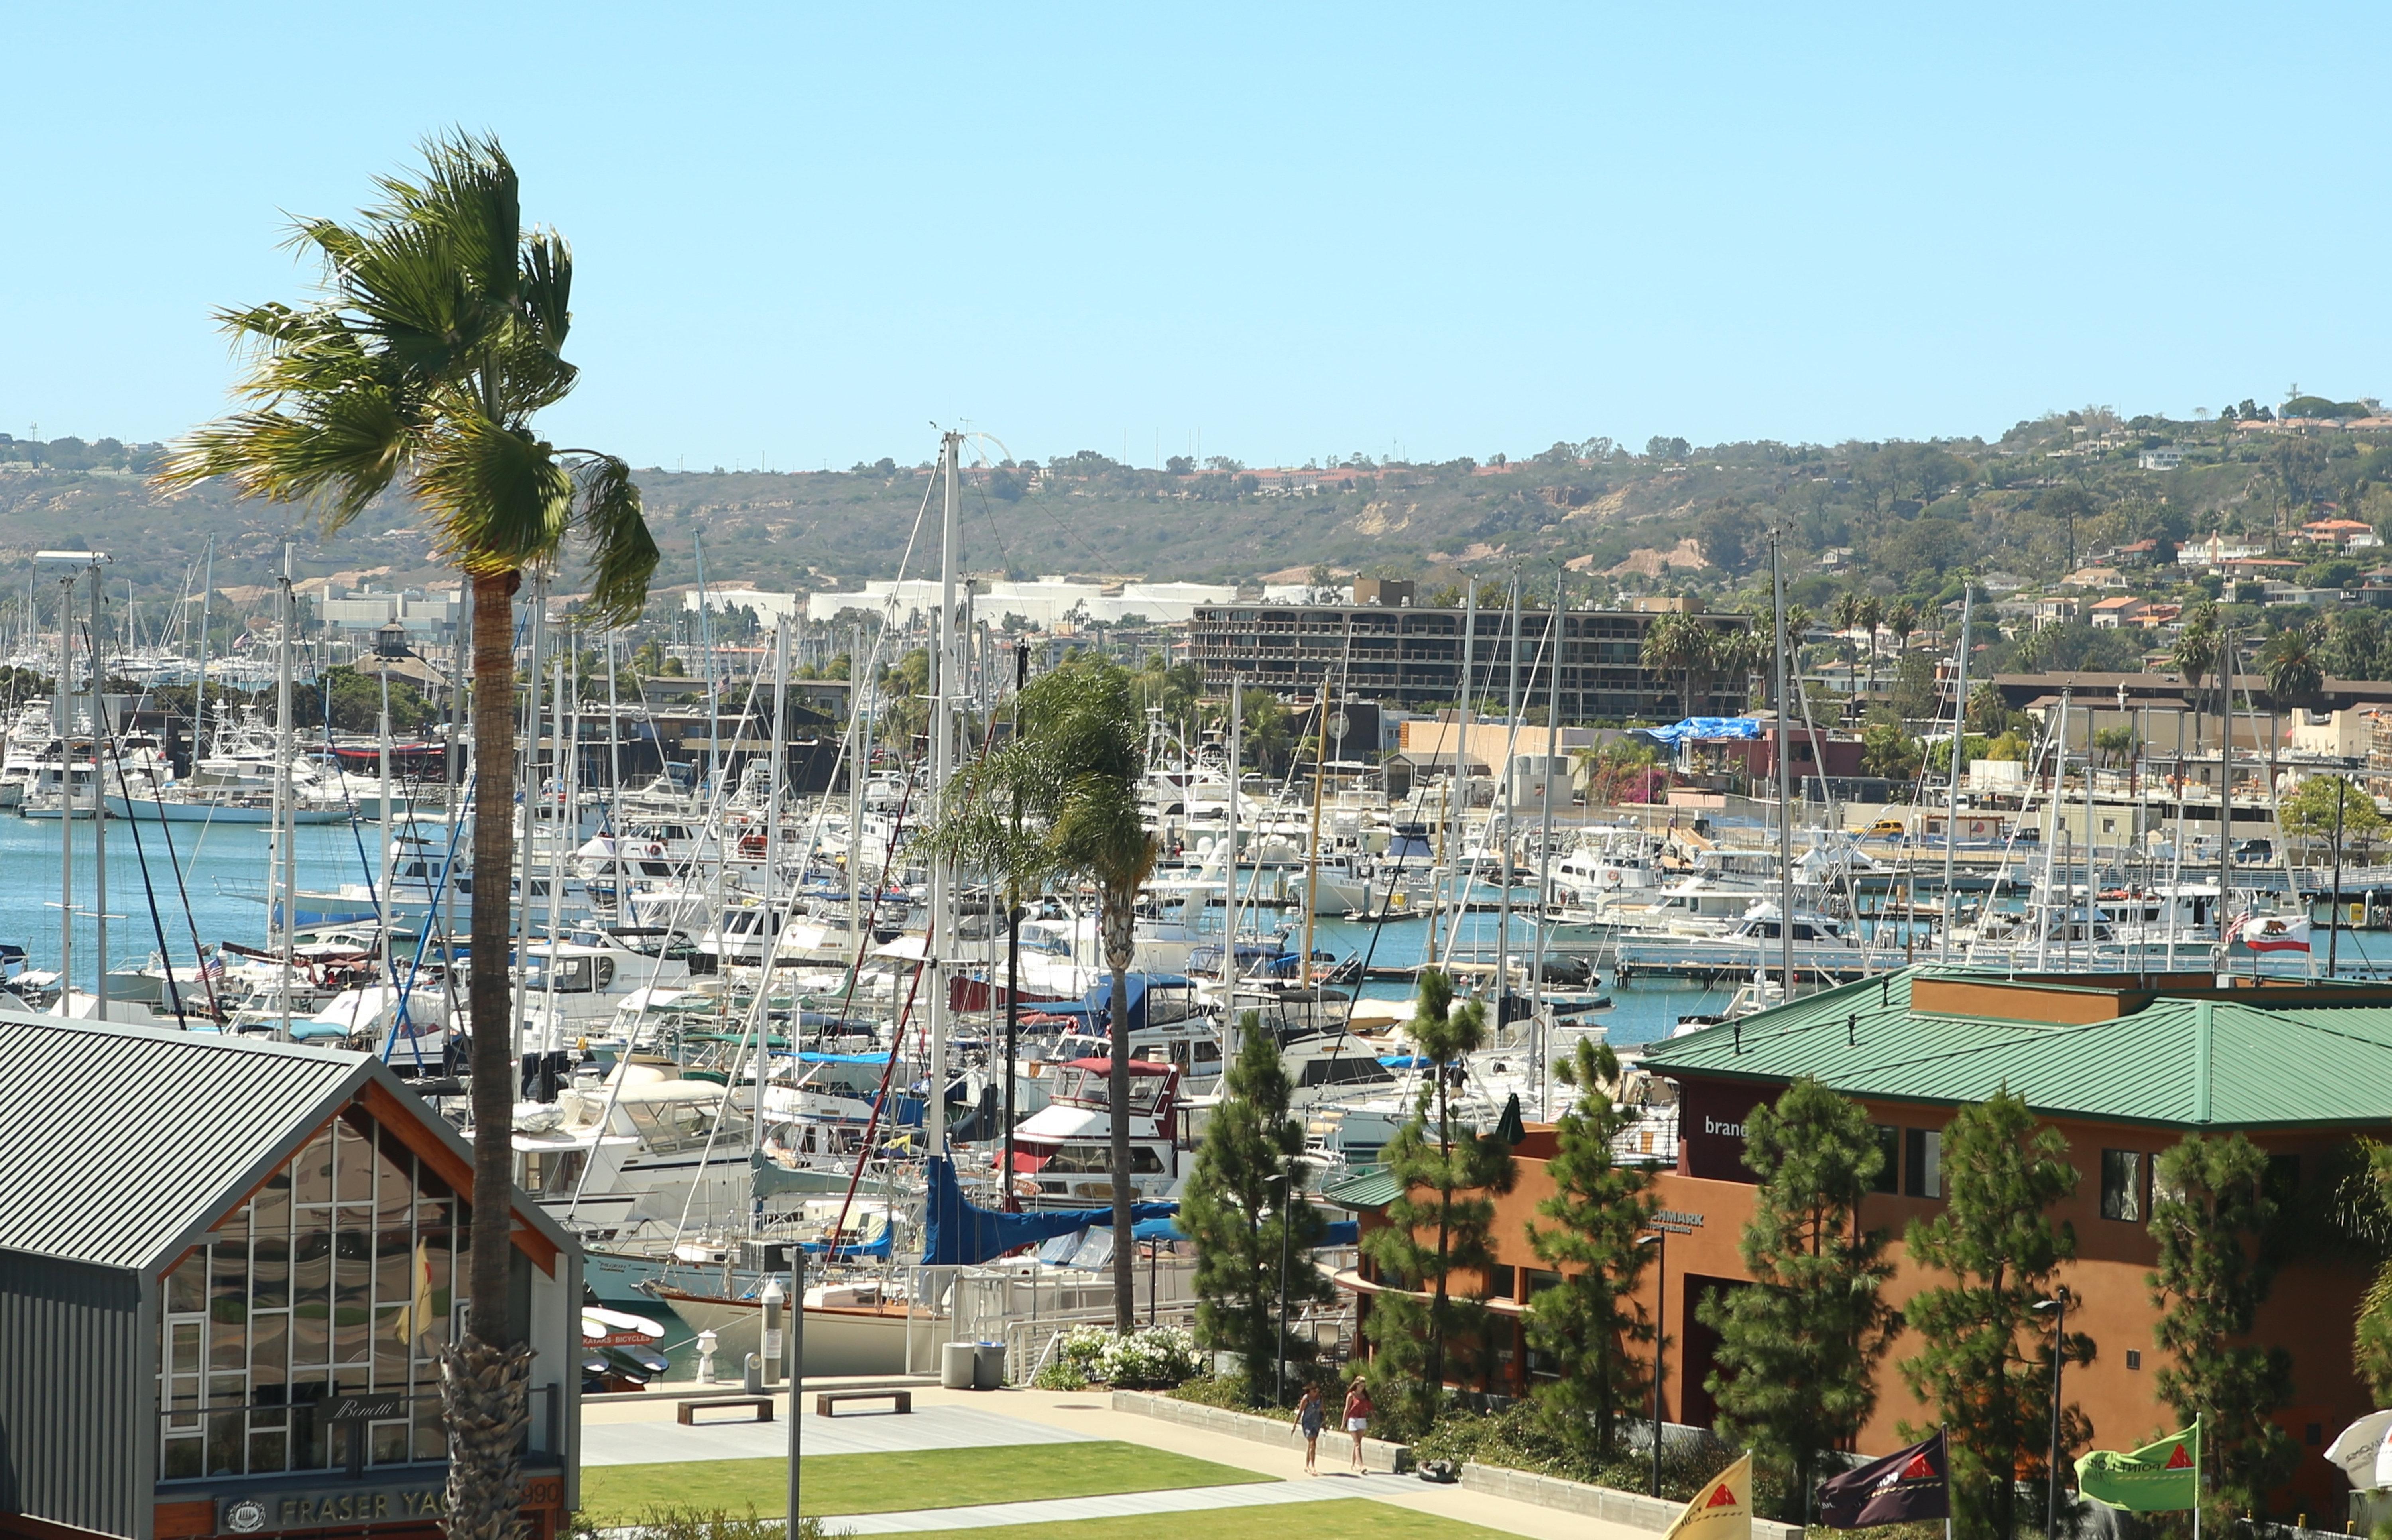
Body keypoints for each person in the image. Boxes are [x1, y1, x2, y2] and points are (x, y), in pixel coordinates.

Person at [1343, 1378, 1373, 1473]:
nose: (1362, 1388)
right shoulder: (1351, 1396)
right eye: (1361, 1386)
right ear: (1356, 1385)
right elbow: (1347, 1409)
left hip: (1362, 1420)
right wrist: (1343, 1424)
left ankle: (1353, 1464)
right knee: (1357, 1444)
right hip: (1353, 1420)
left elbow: (1370, 1408)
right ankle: (1361, 1465)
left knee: (1358, 1444)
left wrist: (1376, 1417)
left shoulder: (1365, 1396)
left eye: (1364, 1386)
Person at [1294, 1383, 1324, 1474]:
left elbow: (1323, 1411)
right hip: (1308, 1423)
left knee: (1312, 1445)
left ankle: (1307, 1466)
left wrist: (1324, 1423)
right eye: (1313, 1389)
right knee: (1313, 1443)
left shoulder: (1320, 1398)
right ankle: (1313, 1466)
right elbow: (1300, 1412)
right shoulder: (1306, 1399)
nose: (1316, 1391)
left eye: (1317, 1389)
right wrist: (1295, 1425)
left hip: (1317, 1422)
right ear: (1309, 1390)